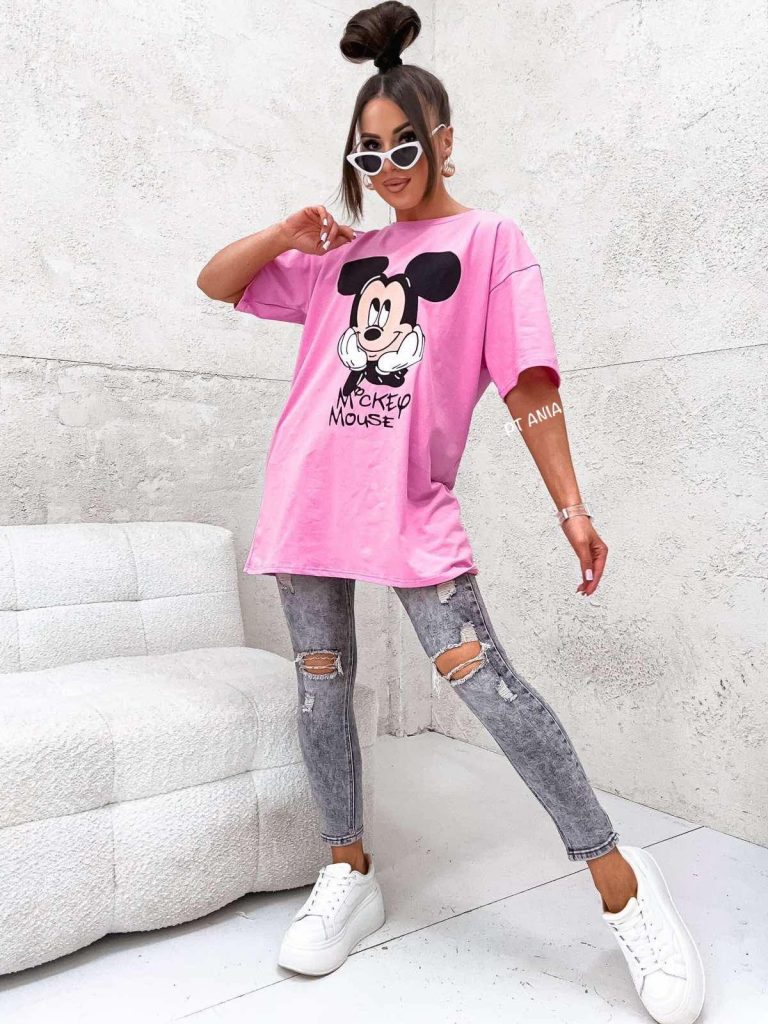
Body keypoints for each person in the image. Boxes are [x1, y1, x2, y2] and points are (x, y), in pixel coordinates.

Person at [197, 3, 705, 1021]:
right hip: (307, 497)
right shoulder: (338, 256)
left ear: (445, 140)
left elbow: (529, 383)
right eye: (368, 153)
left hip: (406, 507)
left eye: (404, 147)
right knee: (320, 688)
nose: (386, 168)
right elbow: (216, 283)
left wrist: (571, 504)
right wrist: (289, 232)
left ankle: (620, 880)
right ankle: (348, 869)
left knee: (492, 687)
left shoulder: (489, 241)